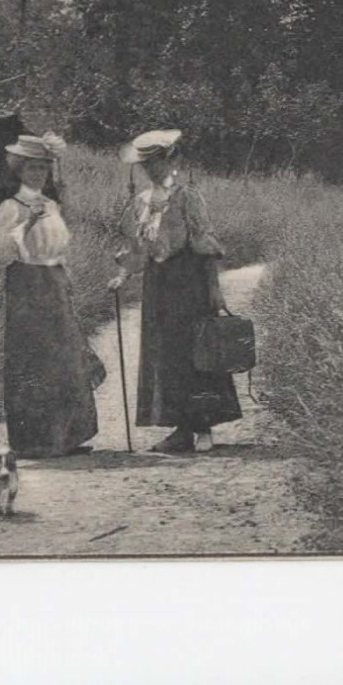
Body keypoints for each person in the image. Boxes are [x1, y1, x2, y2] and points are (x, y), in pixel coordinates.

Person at [109, 129, 240, 453]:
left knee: (196, 353)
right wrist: (123, 275)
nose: (154, 170)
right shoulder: (141, 202)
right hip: (158, 284)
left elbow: (204, 246)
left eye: (160, 162)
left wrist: (214, 289)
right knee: (165, 355)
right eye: (148, 165)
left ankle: (204, 428)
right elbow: (137, 247)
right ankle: (180, 429)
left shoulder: (187, 197)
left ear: (173, 161)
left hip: (189, 281)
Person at [0, 133, 101, 458]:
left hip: (53, 280)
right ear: (19, 171)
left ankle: (66, 435)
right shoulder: (11, 207)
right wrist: (26, 223)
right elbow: (0, 252)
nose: (38, 174)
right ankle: (34, 439)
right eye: (32, 169)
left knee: (64, 356)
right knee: (34, 357)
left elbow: (60, 246)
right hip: (26, 283)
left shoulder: (52, 204)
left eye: (43, 169)